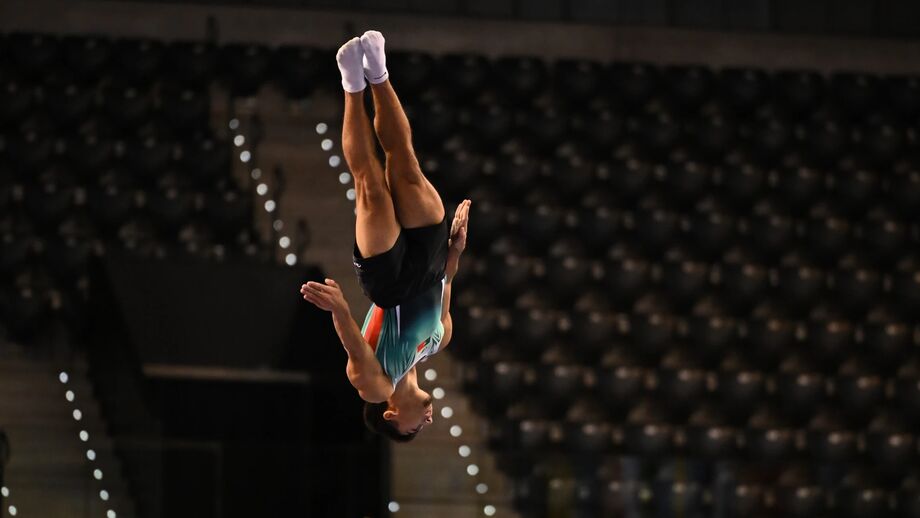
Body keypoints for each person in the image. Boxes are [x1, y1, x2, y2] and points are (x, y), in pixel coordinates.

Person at [300, 31, 471, 442]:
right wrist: (456, 249)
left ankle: (352, 86)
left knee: (371, 186)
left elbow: (354, 349)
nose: (427, 423)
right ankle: (378, 72)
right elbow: (444, 288)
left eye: (415, 430)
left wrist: (340, 308)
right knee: (406, 165)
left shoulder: (377, 388)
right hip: (430, 265)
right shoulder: (438, 342)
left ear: (392, 416)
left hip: (388, 283)